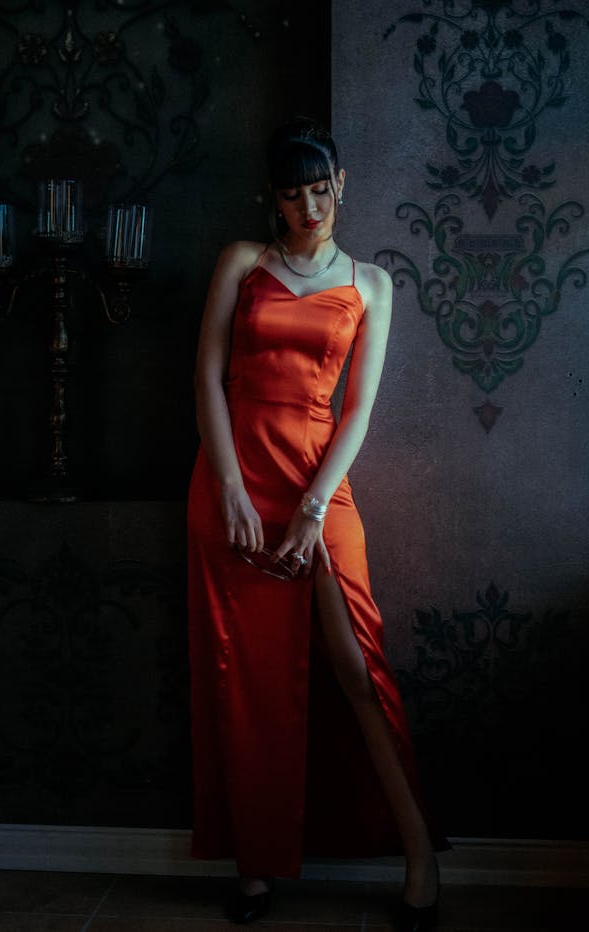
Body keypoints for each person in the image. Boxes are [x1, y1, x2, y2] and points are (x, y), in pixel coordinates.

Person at [187, 117, 446, 931]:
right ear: (275, 196)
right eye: (294, 192)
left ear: (344, 185)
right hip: (232, 482)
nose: (310, 205)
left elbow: (359, 410)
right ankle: (257, 868)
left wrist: (310, 506)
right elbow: (206, 374)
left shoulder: (373, 283)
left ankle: (419, 857)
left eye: (322, 188)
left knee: (358, 668)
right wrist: (228, 485)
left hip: (317, 485)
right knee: (247, 674)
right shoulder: (241, 262)